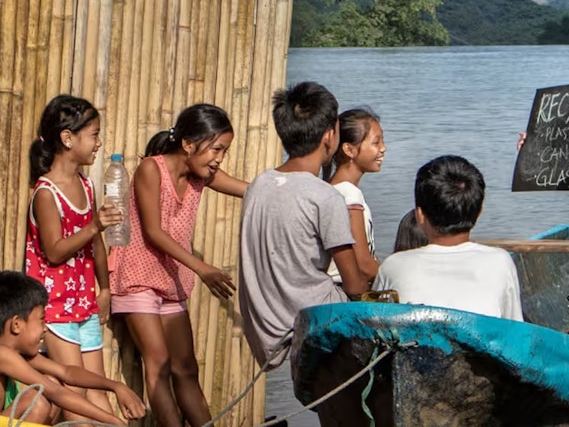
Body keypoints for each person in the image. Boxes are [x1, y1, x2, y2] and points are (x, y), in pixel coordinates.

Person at [109, 104, 248, 427]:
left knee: (186, 369)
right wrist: (203, 268)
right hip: (138, 279)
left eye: (224, 151)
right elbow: (154, 232)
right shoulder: (151, 170)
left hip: (172, 282)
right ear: (188, 144)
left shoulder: (202, 175)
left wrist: (284, 190)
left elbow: (248, 189)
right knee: (157, 366)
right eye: (216, 149)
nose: (219, 158)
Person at [239, 81, 370, 369]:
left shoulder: (259, 185)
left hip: (265, 324)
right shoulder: (325, 197)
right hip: (309, 317)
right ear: (330, 136)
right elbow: (355, 284)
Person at [24, 94, 122, 421]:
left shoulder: (87, 185)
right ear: (68, 138)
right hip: (55, 307)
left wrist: (104, 290)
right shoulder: (45, 192)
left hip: (84, 305)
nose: (98, 143)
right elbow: (54, 251)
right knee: (74, 396)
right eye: (94, 134)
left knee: (99, 394)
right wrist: (95, 224)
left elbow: (95, 245)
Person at [0, 270, 144, 424]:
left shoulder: (14, 353)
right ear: (16, 324)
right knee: (37, 399)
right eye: (41, 320)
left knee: (50, 380)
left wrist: (116, 386)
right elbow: (55, 392)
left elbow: (66, 372)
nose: (45, 328)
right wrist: (112, 421)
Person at [372, 155, 523, 321]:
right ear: (479, 212)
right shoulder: (500, 262)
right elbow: (514, 329)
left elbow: (377, 326)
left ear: (420, 215)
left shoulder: (393, 266)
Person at [323, 107, 384, 283]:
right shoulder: (349, 194)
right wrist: (393, 280)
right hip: (344, 290)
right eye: (376, 142)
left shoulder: (333, 189)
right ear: (349, 150)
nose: (383, 148)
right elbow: (363, 264)